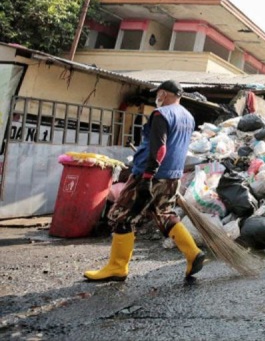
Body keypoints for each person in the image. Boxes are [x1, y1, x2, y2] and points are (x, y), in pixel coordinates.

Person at [84, 80, 204, 281]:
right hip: (172, 176)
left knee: (121, 215)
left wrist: (147, 177)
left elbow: (160, 147)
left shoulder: (162, 114)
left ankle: (117, 267)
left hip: (150, 174)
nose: (157, 98)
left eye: (158, 94)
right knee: (164, 213)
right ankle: (193, 253)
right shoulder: (188, 117)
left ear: (164, 94)